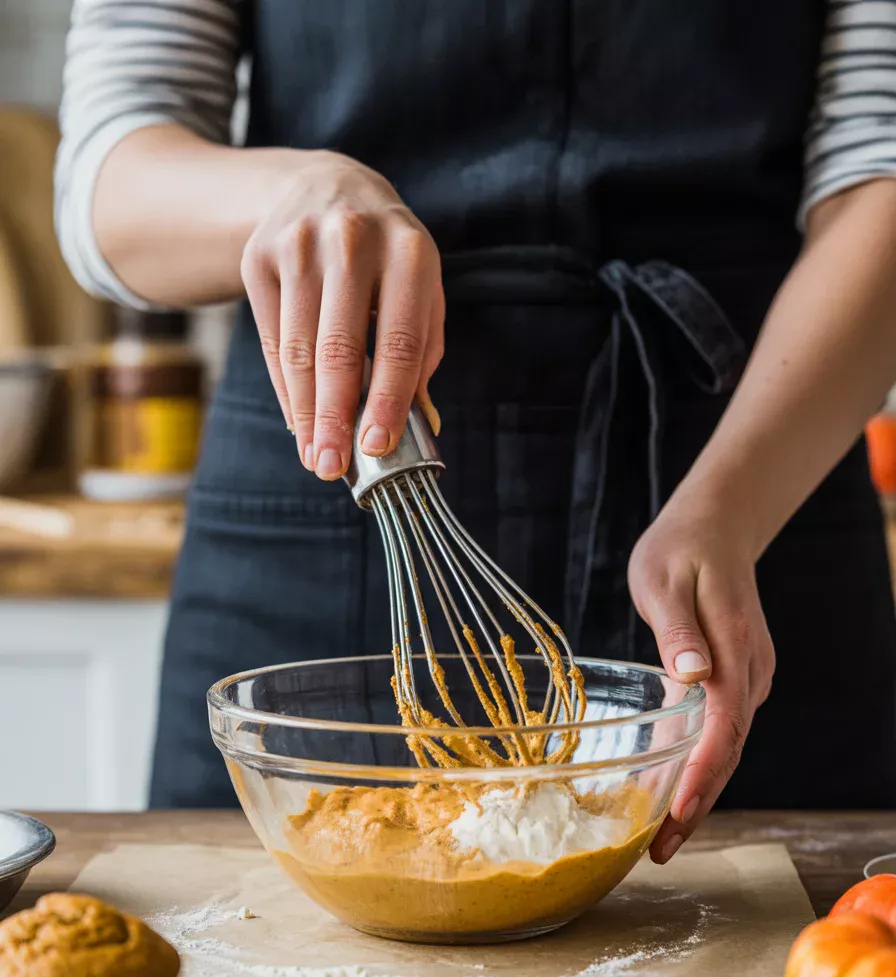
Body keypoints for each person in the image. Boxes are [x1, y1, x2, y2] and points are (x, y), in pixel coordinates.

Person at [56, 0, 896, 861]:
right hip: (316, 524)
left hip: (753, 473)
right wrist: (295, 195)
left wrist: (733, 508)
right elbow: (108, 181)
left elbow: (883, 174)